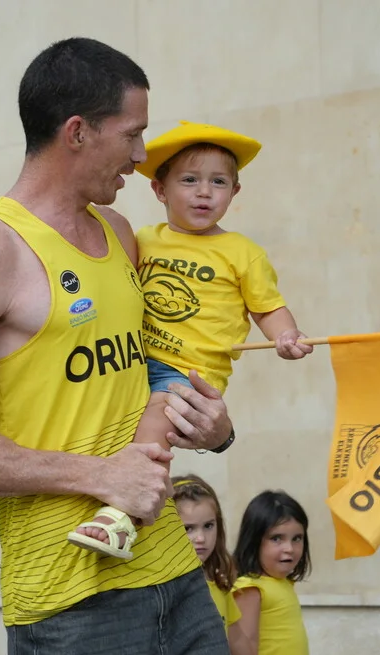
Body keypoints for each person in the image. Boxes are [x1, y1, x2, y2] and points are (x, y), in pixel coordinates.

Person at [0, 37, 240, 655]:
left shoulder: (120, 233)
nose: (142, 156)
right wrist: (99, 476)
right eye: (133, 134)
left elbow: (148, 374)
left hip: (176, 577)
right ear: (78, 132)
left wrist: (214, 427)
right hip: (70, 600)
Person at [68, 121, 311, 560]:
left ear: (235, 192)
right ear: (159, 190)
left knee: (154, 429)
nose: (204, 193)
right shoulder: (144, 240)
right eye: (189, 180)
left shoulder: (242, 252)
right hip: (132, 360)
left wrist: (286, 335)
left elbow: (268, 308)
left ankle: (121, 518)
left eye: (218, 182)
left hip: (188, 374)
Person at [172, 474, 271, 655]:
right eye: (188, 528)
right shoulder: (166, 589)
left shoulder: (217, 582)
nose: (200, 538)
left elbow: (235, 637)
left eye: (208, 526)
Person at [232, 490, 321, 655]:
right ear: (254, 541)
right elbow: (245, 643)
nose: (289, 548)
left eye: (297, 538)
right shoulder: (251, 587)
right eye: (276, 539)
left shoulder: (283, 584)